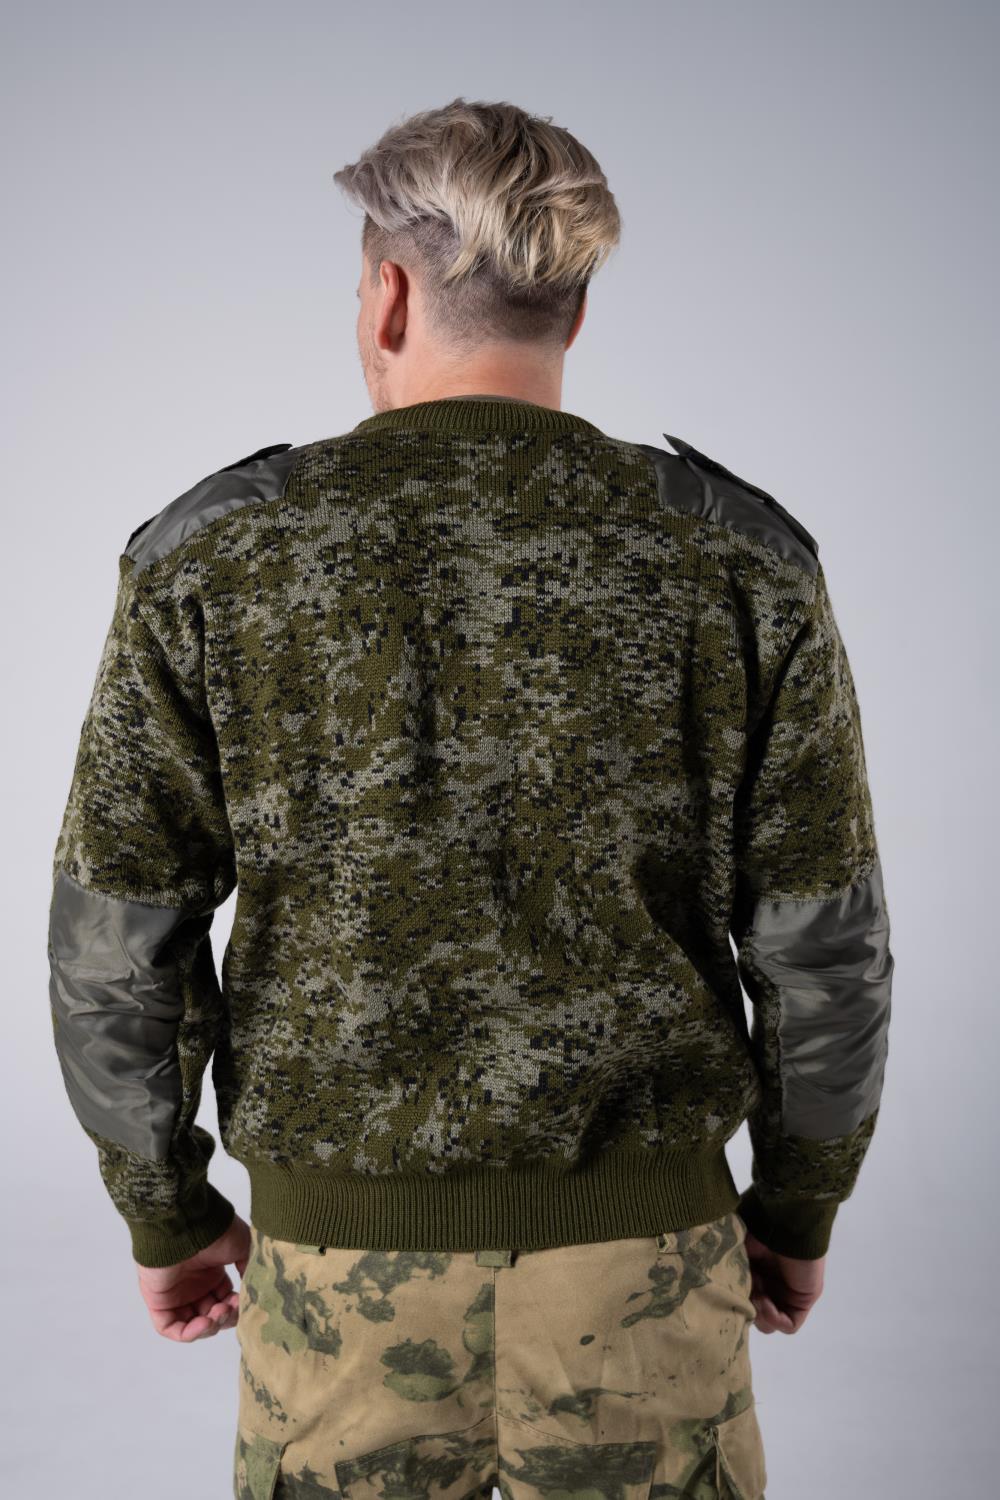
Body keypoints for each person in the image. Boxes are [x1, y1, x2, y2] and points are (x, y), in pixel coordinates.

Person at [46, 97, 894, 1500]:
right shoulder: (738, 559)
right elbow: (823, 944)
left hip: (338, 1288)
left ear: (387, 295)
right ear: (574, 309)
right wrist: (799, 1206)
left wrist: (166, 1209)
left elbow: (117, 942)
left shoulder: (216, 556)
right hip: (647, 1274)